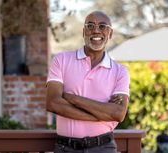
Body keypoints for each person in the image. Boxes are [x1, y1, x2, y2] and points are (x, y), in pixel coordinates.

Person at [46, 11, 130, 153]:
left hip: (103, 148)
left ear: (110, 33)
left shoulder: (120, 71)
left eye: (102, 26)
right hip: (66, 148)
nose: (96, 30)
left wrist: (71, 97)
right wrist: (101, 115)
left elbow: (118, 113)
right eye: (90, 25)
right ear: (84, 31)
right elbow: (53, 103)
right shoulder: (61, 60)